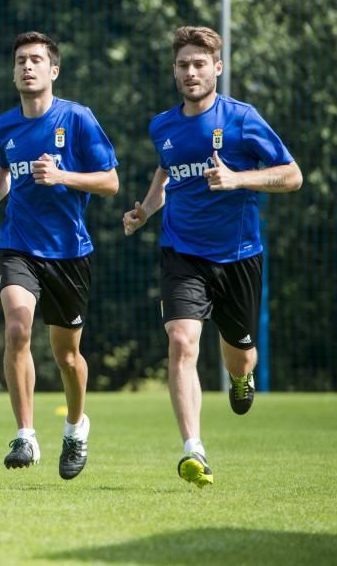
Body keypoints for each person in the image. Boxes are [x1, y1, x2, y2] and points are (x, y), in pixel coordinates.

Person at [122, 26, 302, 488]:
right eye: (183, 64)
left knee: (239, 357)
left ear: (217, 68)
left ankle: (242, 378)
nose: (191, 72)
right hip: (181, 253)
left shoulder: (242, 119)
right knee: (182, 342)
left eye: (200, 64)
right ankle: (193, 449)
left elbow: (293, 175)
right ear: (174, 71)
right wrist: (145, 210)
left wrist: (239, 180)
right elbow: (167, 174)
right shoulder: (162, 126)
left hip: (239, 255)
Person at [0, 31, 118, 480]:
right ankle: (25, 435)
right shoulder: (4, 126)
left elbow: (110, 182)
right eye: (20, 61)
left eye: (36, 60)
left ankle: (75, 428)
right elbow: (3, 166)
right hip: (17, 245)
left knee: (67, 356)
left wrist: (62, 177)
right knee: (17, 327)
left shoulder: (77, 119)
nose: (27, 67)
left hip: (69, 253)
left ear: (53, 70)